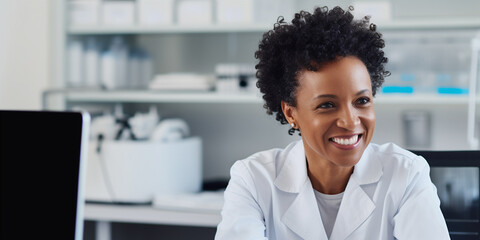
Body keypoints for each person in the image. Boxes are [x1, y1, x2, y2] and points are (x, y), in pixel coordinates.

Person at [215, 6, 450, 240]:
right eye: (327, 105)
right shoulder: (254, 179)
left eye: (362, 100)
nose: (350, 121)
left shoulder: (406, 174)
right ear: (290, 113)